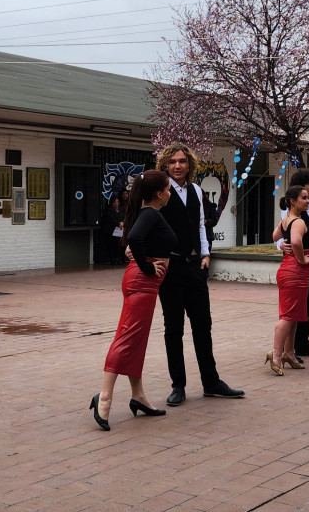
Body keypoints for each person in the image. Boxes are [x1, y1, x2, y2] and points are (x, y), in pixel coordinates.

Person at [154, 143, 243, 405]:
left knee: (203, 325)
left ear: (190, 164)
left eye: (182, 161)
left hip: (195, 267)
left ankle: (211, 382)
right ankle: (178, 386)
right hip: (170, 268)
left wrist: (206, 255)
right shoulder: (160, 193)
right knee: (173, 328)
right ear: (165, 165)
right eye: (172, 162)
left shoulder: (195, 190)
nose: (178, 166)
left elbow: (202, 227)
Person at [91, 170, 175, 431]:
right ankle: (104, 397)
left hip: (142, 283)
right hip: (142, 282)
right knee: (127, 338)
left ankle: (138, 396)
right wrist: (147, 267)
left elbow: (133, 242)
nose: (170, 193)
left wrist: (140, 259)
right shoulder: (150, 213)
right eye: (168, 189)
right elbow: (135, 239)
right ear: (160, 193)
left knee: (136, 339)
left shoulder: (147, 213)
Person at [276, 168, 309, 360]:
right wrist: (282, 245)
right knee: (295, 306)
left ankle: (303, 343)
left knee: (305, 304)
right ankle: (287, 348)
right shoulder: (289, 210)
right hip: (297, 263)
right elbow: (281, 235)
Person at [267, 186, 309, 376]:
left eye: (308, 197)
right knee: (288, 316)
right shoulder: (298, 222)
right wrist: (302, 259)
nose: (308, 200)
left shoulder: (286, 220)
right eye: (304, 198)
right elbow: (295, 242)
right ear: (293, 201)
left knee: (293, 315)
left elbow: (275, 237)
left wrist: (283, 246)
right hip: (295, 271)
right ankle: (276, 355)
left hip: (289, 270)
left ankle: (289, 354)